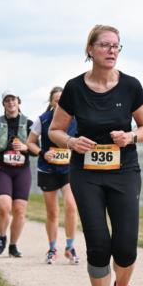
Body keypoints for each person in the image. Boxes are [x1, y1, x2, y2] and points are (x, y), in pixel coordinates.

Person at [50, 24, 143, 286]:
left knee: (125, 246)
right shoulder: (74, 88)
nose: (112, 51)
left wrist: (131, 136)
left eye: (116, 46)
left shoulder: (131, 86)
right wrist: (71, 143)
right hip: (86, 175)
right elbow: (55, 131)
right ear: (90, 50)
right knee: (98, 245)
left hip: (124, 172)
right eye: (105, 45)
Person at [27, 86, 80, 265]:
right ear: (51, 102)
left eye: (62, 100)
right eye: (56, 100)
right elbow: (30, 143)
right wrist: (43, 153)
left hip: (69, 169)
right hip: (48, 169)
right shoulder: (42, 120)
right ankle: (52, 248)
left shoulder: (76, 119)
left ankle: (70, 247)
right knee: (52, 212)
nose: (60, 103)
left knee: (71, 206)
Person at [0, 90, 33, 258]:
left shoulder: (29, 123)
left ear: (19, 101)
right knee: (3, 207)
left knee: (19, 209)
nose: (10, 103)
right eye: (7, 100)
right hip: (2, 169)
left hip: (21, 170)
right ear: (3, 104)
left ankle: (13, 245)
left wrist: (26, 147)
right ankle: (2, 236)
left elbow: (35, 149)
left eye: (13, 99)